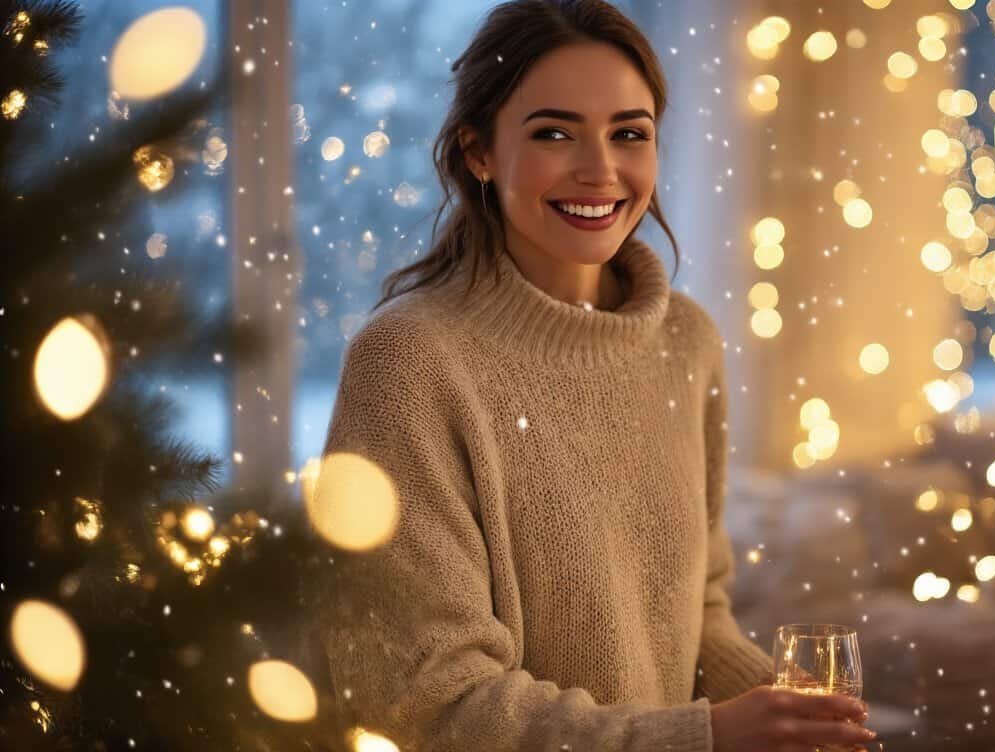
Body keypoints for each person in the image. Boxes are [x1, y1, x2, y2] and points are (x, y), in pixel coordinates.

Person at [313, 1, 876, 750]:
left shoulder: (685, 341)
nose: (600, 170)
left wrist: (787, 711)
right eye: (553, 133)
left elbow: (695, 613)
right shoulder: (408, 363)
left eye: (629, 134)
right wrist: (704, 738)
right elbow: (423, 703)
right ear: (479, 151)